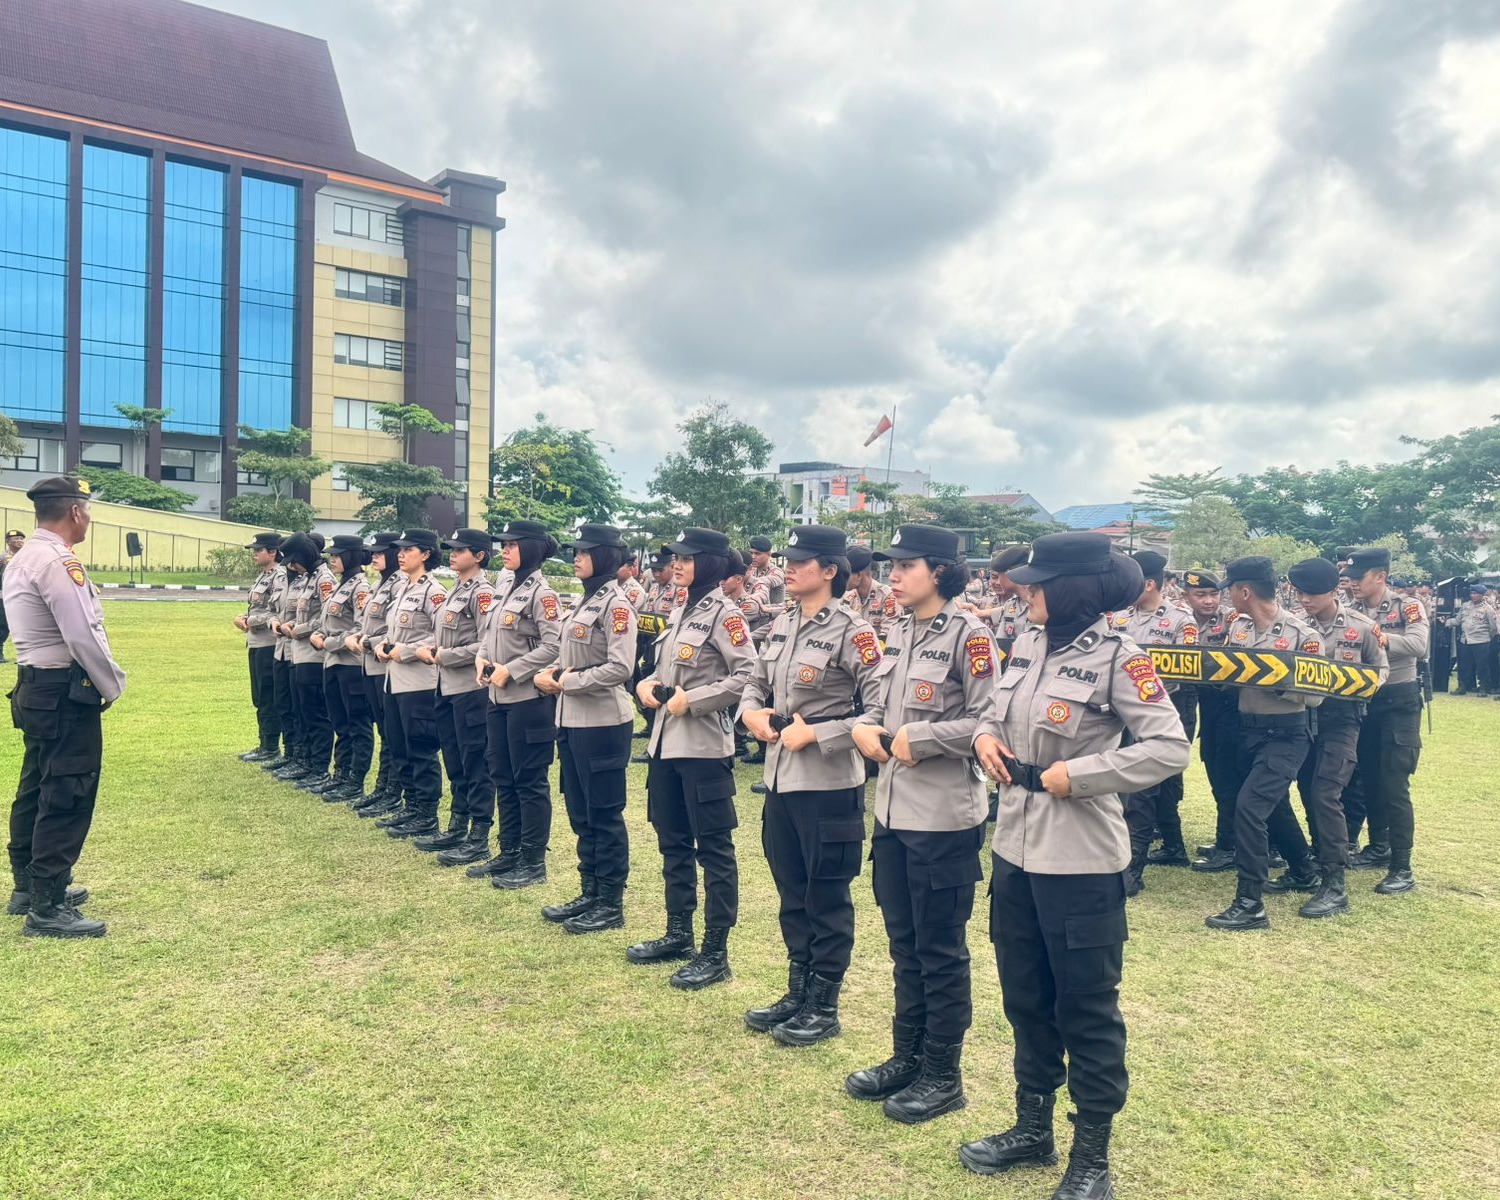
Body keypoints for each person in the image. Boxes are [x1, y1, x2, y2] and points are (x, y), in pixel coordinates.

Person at [958, 534, 1187, 1197]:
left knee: (1085, 1009)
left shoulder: (1122, 657)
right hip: (1015, 851)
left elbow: (1168, 748)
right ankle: (1032, 1128)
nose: (1023, 590)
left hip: (1081, 859)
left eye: (1037, 582)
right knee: (1026, 999)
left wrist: (1081, 775)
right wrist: (980, 739)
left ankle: (1092, 1159)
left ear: (1072, 590)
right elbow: (991, 716)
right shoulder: (1025, 644)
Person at [845, 524, 997, 1125]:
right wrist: (865, 724)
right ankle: (905, 1055)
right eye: (891, 566)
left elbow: (990, 722)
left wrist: (921, 738)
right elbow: (882, 703)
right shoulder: (899, 628)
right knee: (903, 945)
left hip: (943, 817)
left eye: (905, 566)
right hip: (893, 811)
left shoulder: (972, 636)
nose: (893, 576)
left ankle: (943, 1072)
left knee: (939, 949)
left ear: (938, 570)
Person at [737, 525, 882, 1045]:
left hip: (827, 784)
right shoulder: (782, 622)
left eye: (802, 561)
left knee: (826, 896)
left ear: (829, 570)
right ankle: (797, 990)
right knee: (791, 892)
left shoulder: (853, 630)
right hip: (781, 780)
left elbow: (878, 709)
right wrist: (751, 713)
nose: (789, 567)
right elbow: (754, 680)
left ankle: (824, 1003)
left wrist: (818, 733)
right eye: (788, 559)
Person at [632, 527, 758, 989]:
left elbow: (748, 675)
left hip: (704, 747)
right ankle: (678, 933)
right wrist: (645, 684)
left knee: (715, 850)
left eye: (688, 557)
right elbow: (665, 669)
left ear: (711, 562)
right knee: (672, 841)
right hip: (666, 743)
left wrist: (698, 698)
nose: (678, 564)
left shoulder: (726, 615)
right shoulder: (680, 607)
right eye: (677, 558)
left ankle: (715, 951)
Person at [4, 476, 126, 938]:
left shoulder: (23, 556)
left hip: (35, 686)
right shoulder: (57, 561)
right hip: (62, 691)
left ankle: (28, 887)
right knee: (67, 791)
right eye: (88, 510)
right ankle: (47, 906)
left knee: (36, 784)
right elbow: (81, 634)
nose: (89, 518)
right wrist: (110, 685)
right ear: (75, 512)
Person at [1206, 556, 1324, 932]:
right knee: (1273, 807)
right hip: (1246, 731)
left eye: (1230, 590)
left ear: (1245, 591)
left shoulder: (1303, 635)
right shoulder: (1237, 627)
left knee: (1250, 808)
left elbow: (1316, 695)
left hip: (1286, 733)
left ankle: (1250, 902)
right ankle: (1304, 870)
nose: (1228, 599)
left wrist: (1274, 679)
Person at [535, 524, 637, 934]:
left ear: (607, 556)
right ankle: (590, 890)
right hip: (572, 719)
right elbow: (573, 655)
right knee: (580, 812)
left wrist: (566, 682)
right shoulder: (585, 601)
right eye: (575, 550)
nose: (576, 557)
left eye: (585, 551)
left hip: (603, 723)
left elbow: (620, 667)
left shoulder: (616, 605)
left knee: (604, 814)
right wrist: (555, 672)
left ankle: (610, 903)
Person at [1287, 558, 1388, 919]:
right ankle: (1317, 860)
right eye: (1300, 593)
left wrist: (1354, 685)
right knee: (1305, 789)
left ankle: (1335, 884)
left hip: (1343, 720)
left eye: (1312, 593)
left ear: (1333, 591)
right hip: (1303, 718)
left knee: (1326, 793)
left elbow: (1380, 671)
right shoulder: (1294, 626)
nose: (1305, 600)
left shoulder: (1362, 628)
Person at [470, 520, 564, 885]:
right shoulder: (503, 584)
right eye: (503, 544)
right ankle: (508, 852)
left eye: (511, 544)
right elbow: (489, 633)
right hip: (497, 697)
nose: (504, 550)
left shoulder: (544, 594)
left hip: (528, 700)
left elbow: (554, 646)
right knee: (502, 775)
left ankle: (532, 861)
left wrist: (512, 669)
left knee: (529, 781)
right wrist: (481, 657)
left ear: (531, 548)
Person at [1343, 547, 1427, 893]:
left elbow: (1418, 644)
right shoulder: (1352, 610)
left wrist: (1378, 639)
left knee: (1394, 784)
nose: (1352, 584)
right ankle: (1378, 847)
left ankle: (1401, 866)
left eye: (1358, 578)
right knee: (1370, 778)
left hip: (1399, 700)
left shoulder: (1406, 605)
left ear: (1380, 576)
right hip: (1367, 701)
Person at [1115, 550, 1198, 891]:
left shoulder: (1182, 621)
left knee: (1143, 788)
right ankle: (1175, 847)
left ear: (1148, 584)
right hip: (1125, 711)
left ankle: (1132, 871)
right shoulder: (1120, 619)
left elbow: (1187, 671)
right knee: (1154, 787)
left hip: (1167, 709)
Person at [415, 530, 497, 856]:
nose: (453, 554)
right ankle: (457, 824)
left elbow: (486, 643)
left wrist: (446, 656)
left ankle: (479, 835)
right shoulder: (456, 590)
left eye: (461, 550)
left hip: (469, 688)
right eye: (452, 549)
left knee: (475, 760)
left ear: (478, 556)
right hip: (445, 686)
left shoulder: (483, 593)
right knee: (454, 757)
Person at [373, 530, 447, 840]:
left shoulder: (434, 592)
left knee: (421, 749)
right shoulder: (402, 587)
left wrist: (405, 650)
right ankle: (411, 804)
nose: (401, 554)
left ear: (426, 554)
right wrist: (382, 644)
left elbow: (440, 637)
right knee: (399, 745)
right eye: (400, 550)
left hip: (418, 683)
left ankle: (426, 813)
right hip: (394, 680)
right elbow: (392, 631)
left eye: (409, 549)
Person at [1181, 570, 1241, 873]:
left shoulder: (1232, 620)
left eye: (1213, 594)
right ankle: (1225, 840)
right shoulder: (1180, 621)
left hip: (1231, 703)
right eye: (1200, 595)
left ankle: (1229, 846)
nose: (1209, 601)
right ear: (1186, 597)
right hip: (1204, 705)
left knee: (1228, 774)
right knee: (1215, 770)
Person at [312, 535, 374, 802]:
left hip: (350, 665)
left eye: (338, 555)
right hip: (332, 663)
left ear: (352, 556)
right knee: (340, 722)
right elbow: (326, 621)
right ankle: (341, 774)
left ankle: (355, 779)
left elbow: (360, 630)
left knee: (357, 724)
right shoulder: (340, 586)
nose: (333, 559)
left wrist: (329, 642)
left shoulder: (360, 588)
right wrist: (318, 635)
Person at [347, 533, 404, 816]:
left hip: (385, 666)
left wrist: (368, 641)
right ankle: (383, 787)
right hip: (369, 665)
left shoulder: (399, 585)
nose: (374, 556)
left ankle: (393, 789)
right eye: (373, 552)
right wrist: (360, 635)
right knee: (383, 729)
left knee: (392, 732)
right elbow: (369, 623)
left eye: (381, 552)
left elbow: (395, 632)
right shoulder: (379, 585)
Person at [278, 534, 337, 793]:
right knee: (302, 711)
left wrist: (298, 629)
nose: (293, 566)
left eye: (295, 561)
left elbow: (326, 621)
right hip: (298, 654)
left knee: (316, 713)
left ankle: (319, 766)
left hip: (313, 655)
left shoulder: (325, 580)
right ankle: (306, 761)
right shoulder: (308, 579)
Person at [234, 532, 284, 763]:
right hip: (255, 642)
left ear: (273, 552)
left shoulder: (279, 576)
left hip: (268, 643)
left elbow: (277, 612)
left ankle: (271, 745)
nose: (255, 553)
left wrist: (249, 621)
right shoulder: (263, 576)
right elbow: (256, 607)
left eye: (259, 550)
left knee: (267, 695)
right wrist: (244, 617)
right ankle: (264, 742)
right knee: (258, 696)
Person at [843, 544, 898, 641]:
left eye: (846, 575)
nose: (843, 579)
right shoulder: (847, 598)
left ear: (859, 575)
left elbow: (888, 635)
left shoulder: (887, 596)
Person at [1456, 584, 1497, 695]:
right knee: (1464, 665)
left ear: (1482, 595)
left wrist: (1487, 638)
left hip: (1481, 641)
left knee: (1482, 666)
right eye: (1471, 593)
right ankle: (1462, 686)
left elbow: (1493, 627)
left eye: (1475, 594)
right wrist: (1446, 622)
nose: (1472, 595)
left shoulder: (1487, 609)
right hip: (1465, 640)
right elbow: (1457, 620)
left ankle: (1484, 687)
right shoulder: (1465, 606)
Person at [0, 528, 28, 662]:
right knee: (3, 625)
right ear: (8, 542)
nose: (19, 541)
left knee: (24, 626)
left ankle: (25, 655)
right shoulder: (2, 558)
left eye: (21, 539)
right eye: (16, 539)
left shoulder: (28, 556)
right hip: (4, 596)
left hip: (24, 596)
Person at [747, 535, 787, 606]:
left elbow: (766, 581)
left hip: (773, 615)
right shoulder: (753, 571)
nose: (753, 557)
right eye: (751, 553)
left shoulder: (777, 572)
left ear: (768, 555)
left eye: (757, 553)